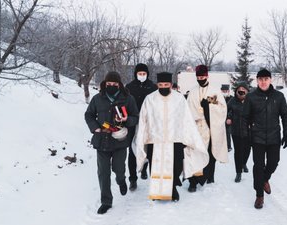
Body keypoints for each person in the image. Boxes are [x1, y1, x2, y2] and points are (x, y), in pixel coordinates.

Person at [132, 72, 209, 202]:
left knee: (175, 167)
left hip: (175, 139)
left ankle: (172, 189)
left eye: (166, 84)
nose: (163, 87)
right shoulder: (150, 99)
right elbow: (144, 119)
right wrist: (143, 136)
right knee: (155, 167)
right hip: (155, 140)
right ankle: (156, 192)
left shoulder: (179, 98)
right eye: (160, 85)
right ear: (157, 85)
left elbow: (186, 119)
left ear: (170, 85)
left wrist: (188, 137)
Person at [85, 71, 139, 214]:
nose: (111, 86)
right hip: (102, 141)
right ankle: (106, 201)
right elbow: (89, 115)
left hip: (120, 141)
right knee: (103, 173)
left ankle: (121, 180)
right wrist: (95, 127)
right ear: (105, 84)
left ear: (119, 84)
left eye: (115, 84)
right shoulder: (97, 98)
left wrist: (126, 120)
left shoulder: (128, 99)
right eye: (109, 84)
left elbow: (136, 117)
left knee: (119, 169)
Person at [243, 69, 287, 209]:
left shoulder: (279, 96)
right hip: (257, 138)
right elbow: (245, 118)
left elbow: (285, 116)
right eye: (260, 79)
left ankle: (264, 180)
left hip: (274, 137)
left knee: (273, 162)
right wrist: (247, 136)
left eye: (266, 79)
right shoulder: (251, 97)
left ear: (270, 80)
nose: (263, 82)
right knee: (258, 167)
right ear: (257, 81)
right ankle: (259, 196)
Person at [186, 65, 228, 192]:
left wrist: (208, 104)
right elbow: (187, 111)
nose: (201, 79)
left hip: (211, 128)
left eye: (203, 76)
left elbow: (222, 107)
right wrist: (198, 115)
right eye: (198, 77)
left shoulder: (214, 91)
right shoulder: (192, 92)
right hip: (196, 128)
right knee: (194, 154)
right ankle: (193, 181)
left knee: (210, 153)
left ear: (207, 76)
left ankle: (209, 176)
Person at [125, 63, 158, 191]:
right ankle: (133, 179)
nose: (142, 75)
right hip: (133, 123)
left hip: (149, 124)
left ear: (147, 74)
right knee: (132, 150)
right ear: (136, 74)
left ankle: (145, 170)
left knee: (149, 149)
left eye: (144, 74)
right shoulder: (129, 87)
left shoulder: (153, 87)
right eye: (140, 73)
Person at [226, 82, 251, 183]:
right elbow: (226, 111)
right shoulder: (232, 101)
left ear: (247, 90)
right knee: (238, 152)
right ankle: (238, 173)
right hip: (236, 130)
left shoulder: (250, 100)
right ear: (236, 91)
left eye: (243, 89)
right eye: (239, 89)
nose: (241, 91)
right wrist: (228, 117)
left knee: (247, 150)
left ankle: (244, 163)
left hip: (249, 130)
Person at [221, 84, 233, 152]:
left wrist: (229, 117)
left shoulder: (232, 98)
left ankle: (228, 146)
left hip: (228, 119)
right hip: (219, 118)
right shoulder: (218, 97)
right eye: (223, 90)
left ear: (228, 91)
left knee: (227, 133)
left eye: (226, 90)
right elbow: (209, 101)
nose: (224, 92)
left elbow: (233, 109)